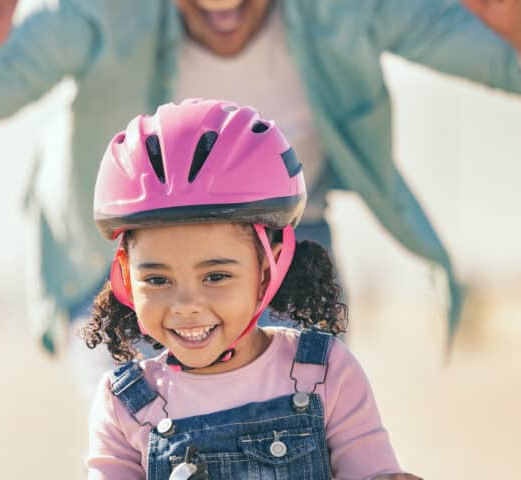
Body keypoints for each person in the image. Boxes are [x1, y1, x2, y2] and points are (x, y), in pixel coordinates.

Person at [0, 0, 521, 393]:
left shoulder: (349, 10)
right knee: (146, 434)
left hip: (280, 246)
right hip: (123, 263)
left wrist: (515, 24)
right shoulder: (99, 16)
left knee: (304, 420)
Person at [82, 98, 417, 479]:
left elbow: (370, 469)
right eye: (158, 280)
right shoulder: (123, 404)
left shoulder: (326, 372)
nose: (186, 304)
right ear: (126, 276)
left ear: (266, 269)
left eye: (215, 276)